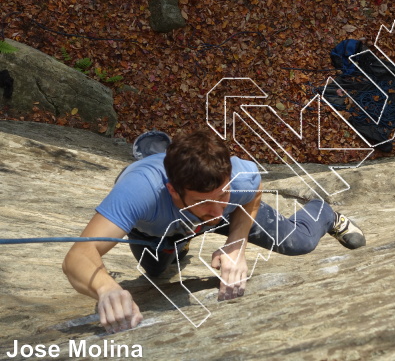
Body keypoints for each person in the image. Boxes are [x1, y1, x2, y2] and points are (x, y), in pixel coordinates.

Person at [62, 127, 366, 334]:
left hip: (213, 216)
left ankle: (323, 212)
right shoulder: (139, 192)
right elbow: (79, 255)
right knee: (156, 270)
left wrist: (237, 243)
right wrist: (105, 288)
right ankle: (157, 155)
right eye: (205, 201)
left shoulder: (241, 179)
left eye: (223, 193)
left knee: (298, 242)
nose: (217, 209)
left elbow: (255, 193)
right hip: (160, 227)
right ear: (172, 189)